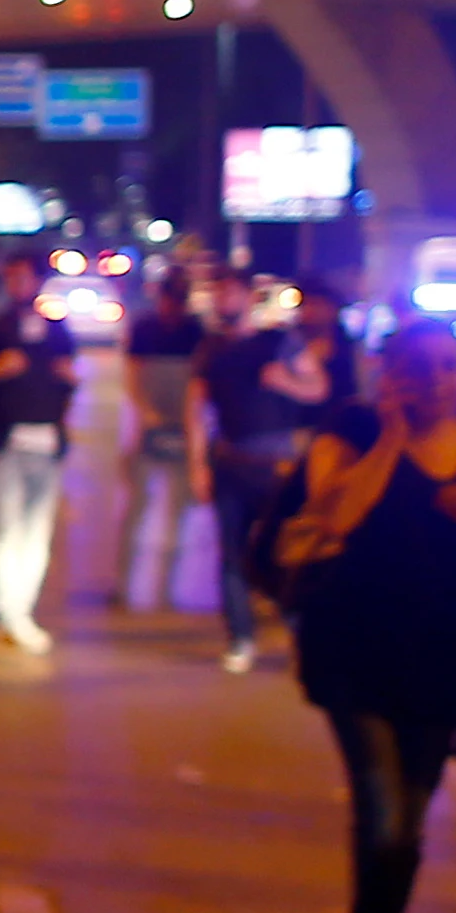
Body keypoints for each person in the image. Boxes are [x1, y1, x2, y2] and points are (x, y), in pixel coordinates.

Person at [274, 319, 456, 913]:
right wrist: (389, 436)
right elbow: (336, 517)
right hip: (356, 649)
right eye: (420, 367)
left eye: (450, 366)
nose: (438, 381)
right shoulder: (350, 428)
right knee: (384, 807)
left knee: (409, 819)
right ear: (391, 373)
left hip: (445, 658)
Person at [191, 273, 356, 673]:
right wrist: (197, 464)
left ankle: (300, 632)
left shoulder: (278, 341)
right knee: (232, 556)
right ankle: (241, 638)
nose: (222, 298)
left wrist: (287, 382)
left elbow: (318, 387)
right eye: (218, 291)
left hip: (276, 466)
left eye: (229, 291)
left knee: (284, 552)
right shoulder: (211, 349)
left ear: (248, 298)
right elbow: (196, 409)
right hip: (230, 462)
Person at [0, 253, 78, 656]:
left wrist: (68, 381)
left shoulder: (56, 330)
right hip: (4, 444)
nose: (18, 284)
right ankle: (11, 612)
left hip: (46, 445)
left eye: (24, 276)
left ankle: (20, 608)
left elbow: (69, 379)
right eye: (11, 276)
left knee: (36, 534)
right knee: (6, 529)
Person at [115, 267, 206, 613]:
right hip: (148, 426)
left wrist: (190, 422)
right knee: (136, 506)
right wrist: (146, 414)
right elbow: (134, 376)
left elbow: (198, 383)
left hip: (183, 427)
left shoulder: (195, 330)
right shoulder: (145, 328)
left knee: (179, 512)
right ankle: (123, 585)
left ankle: (169, 588)